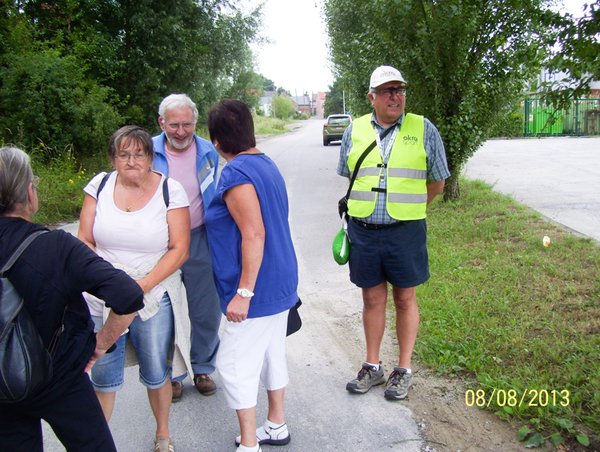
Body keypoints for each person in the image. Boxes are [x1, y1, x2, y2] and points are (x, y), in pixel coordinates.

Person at [0, 146, 144, 452]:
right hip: (61, 378)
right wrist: (101, 343)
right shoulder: (56, 246)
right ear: (29, 192)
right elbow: (129, 295)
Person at [337, 65, 450, 400]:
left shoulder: (424, 128)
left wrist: (412, 207)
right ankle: (373, 366)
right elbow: (351, 176)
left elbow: (438, 181)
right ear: (371, 97)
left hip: (406, 231)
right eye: (387, 91)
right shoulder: (353, 130)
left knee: (404, 298)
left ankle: (403, 369)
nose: (395, 96)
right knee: (371, 298)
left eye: (399, 90)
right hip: (364, 230)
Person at [78, 126, 192, 452]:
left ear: (150, 157)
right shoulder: (98, 186)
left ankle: (163, 434)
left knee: (158, 371)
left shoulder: (171, 190)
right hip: (102, 296)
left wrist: (138, 286)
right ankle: (98, 443)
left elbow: (180, 249)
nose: (131, 161)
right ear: (113, 158)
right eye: (123, 154)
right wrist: (106, 283)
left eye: (139, 154)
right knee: (102, 376)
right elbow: (84, 239)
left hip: (152, 293)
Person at [205, 99, 298, 452]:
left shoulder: (235, 172)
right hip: (280, 279)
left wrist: (243, 292)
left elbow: (254, 233)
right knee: (272, 352)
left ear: (216, 141)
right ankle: (275, 426)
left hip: (257, 288)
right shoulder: (265, 163)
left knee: (232, 364)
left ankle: (249, 444)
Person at [152, 94, 222, 401]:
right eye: (174, 124)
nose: (181, 131)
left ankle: (203, 367)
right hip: (158, 242)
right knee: (165, 309)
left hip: (199, 237)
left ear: (195, 123)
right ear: (162, 123)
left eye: (187, 124)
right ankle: (174, 373)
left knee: (206, 308)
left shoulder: (208, 150)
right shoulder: (147, 150)